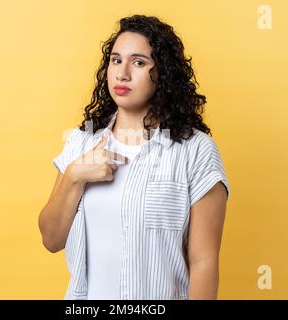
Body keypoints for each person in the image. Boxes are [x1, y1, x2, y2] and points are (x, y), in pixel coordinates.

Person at [38, 14, 230, 300]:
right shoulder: (81, 144)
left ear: (162, 72)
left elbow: (204, 262)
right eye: (116, 60)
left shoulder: (195, 151)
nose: (123, 73)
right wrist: (75, 176)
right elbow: (51, 240)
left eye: (138, 62)